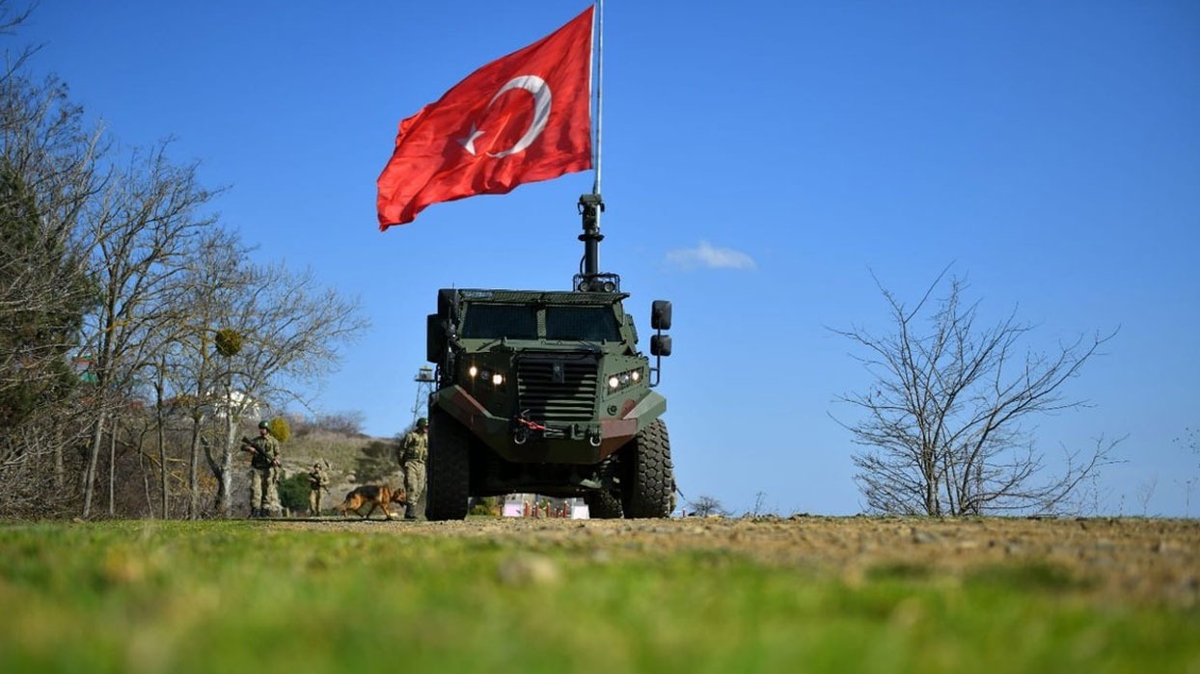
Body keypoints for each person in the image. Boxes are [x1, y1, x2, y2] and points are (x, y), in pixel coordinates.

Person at [242, 420, 281, 518]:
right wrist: (249, 449)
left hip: (268, 468)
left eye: (263, 429)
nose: (261, 430)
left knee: (268, 489)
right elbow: (243, 446)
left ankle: (265, 509)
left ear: (267, 429)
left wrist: (276, 460)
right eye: (260, 429)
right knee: (255, 489)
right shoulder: (256, 441)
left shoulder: (273, 441)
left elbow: (277, 454)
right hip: (257, 468)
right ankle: (255, 509)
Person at [396, 417, 428, 520]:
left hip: (421, 464)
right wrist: (403, 464)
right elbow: (401, 450)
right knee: (411, 485)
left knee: (420, 487)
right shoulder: (410, 436)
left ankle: (411, 506)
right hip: (411, 463)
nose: (426, 428)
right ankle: (410, 510)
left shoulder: (427, 437)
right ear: (420, 426)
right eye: (425, 426)